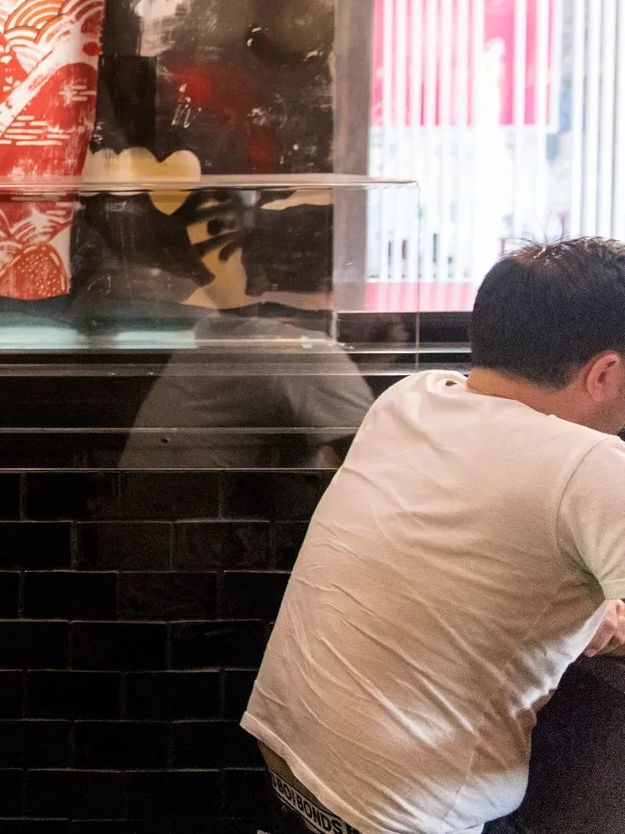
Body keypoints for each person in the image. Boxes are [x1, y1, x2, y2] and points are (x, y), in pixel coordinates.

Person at [243, 238, 625, 834]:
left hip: (290, 766)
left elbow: (474, 552)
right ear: (606, 372)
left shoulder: (411, 398)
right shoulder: (591, 463)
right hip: (401, 814)